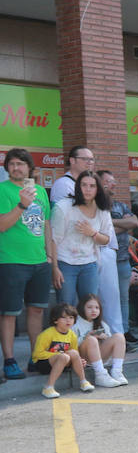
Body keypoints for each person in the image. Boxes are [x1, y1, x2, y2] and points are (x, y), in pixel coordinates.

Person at [1, 149, 55, 382]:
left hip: (39, 261)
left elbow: (46, 227)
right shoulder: (3, 190)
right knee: (10, 313)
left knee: (36, 310)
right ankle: (10, 360)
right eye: (12, 164)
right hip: (11, 260)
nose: (16, 167)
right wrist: (22, 205)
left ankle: (36, 356)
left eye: (21, 163)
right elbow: (2, 225)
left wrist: (51, 259)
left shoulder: (41, 191)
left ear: (29, 167)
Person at [52, 170, 114, 308]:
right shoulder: (63, 207)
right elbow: (53, 240)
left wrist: (92, 233)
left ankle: (88, 330)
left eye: (92, 186)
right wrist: (55, 268)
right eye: (84, 185)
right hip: (65, 263)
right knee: (66, 307)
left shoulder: (102, 210)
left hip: (89, 263)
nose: (87, 189)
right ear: (77, 187)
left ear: (98, 189)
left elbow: (107, 239)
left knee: (89, 307)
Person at [99, 170, 138, 343]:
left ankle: (124, 332)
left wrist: (111, 223)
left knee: (123, 297)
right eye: (108, 181)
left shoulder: (120, 206)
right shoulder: (96, 207)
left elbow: (134, 222)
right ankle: (108, 334)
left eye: (114, 181)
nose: (112, 184)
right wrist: (121, 225)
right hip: (103, 260)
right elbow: (100, 231)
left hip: (123, 259)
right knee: (105, 298)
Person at [32, 303, 91, 398]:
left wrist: (79, 361)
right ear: (55, 320)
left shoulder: (72, 335)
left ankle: (83, 382)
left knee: (74, 353)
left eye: (71, 317)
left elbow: (74, 353)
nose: (68, 320)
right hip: (43, 363)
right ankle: (48, 387)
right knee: (64, 356)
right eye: (64, 317)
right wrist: (58, 354)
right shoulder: (47, 334)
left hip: (63, 361)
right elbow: (37, 354)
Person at [75, 293, 126, 387]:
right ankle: (100, 375)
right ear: (82, 307)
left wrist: (105, 337)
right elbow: (71, 344)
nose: (93, 310)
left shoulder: (101, 323)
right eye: (89, 307)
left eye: (96, 307)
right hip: (83, 357)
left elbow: (111, 340)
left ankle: (117, 371)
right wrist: (87, 336)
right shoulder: (76, 323)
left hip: (100, 355)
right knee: (91, 339)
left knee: (119, 336)